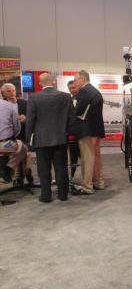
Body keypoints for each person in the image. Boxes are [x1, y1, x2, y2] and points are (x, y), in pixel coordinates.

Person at [26, 73, 74, 202]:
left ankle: (46, 196)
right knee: (61, 167)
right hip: (61, 138)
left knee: (44, 169)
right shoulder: (66, 96)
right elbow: (71, 117)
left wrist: (28, 138)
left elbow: (30, 120)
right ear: (53, 81)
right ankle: (63, 195)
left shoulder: (34, 97)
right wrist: (66, 132)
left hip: (41, 139)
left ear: (40, 83)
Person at [72, 70, 105, 195]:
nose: (74, 83)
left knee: (87, 159)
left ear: (82, 79)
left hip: (86, 131)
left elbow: (77, 111)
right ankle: (99, 182)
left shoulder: (84, 91)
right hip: (96, 130)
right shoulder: (95, 91)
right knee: (96, 158)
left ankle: (87, 186)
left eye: (76, 80)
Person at [0, 97, 27, 184]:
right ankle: (8, 169)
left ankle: (7, 172)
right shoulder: (7, 105)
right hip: (5, 144)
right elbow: (17, 126)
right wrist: (13, 136)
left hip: (4, 144)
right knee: (22, 147)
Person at [66, 79, 80, 180]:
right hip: (72, 133)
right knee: (73, 156)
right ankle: (72, 176)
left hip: (82, 133)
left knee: (85, 157)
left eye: (73, 87)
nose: (72, 90)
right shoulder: (69, 100)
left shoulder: (83, 99)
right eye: (70, 88)